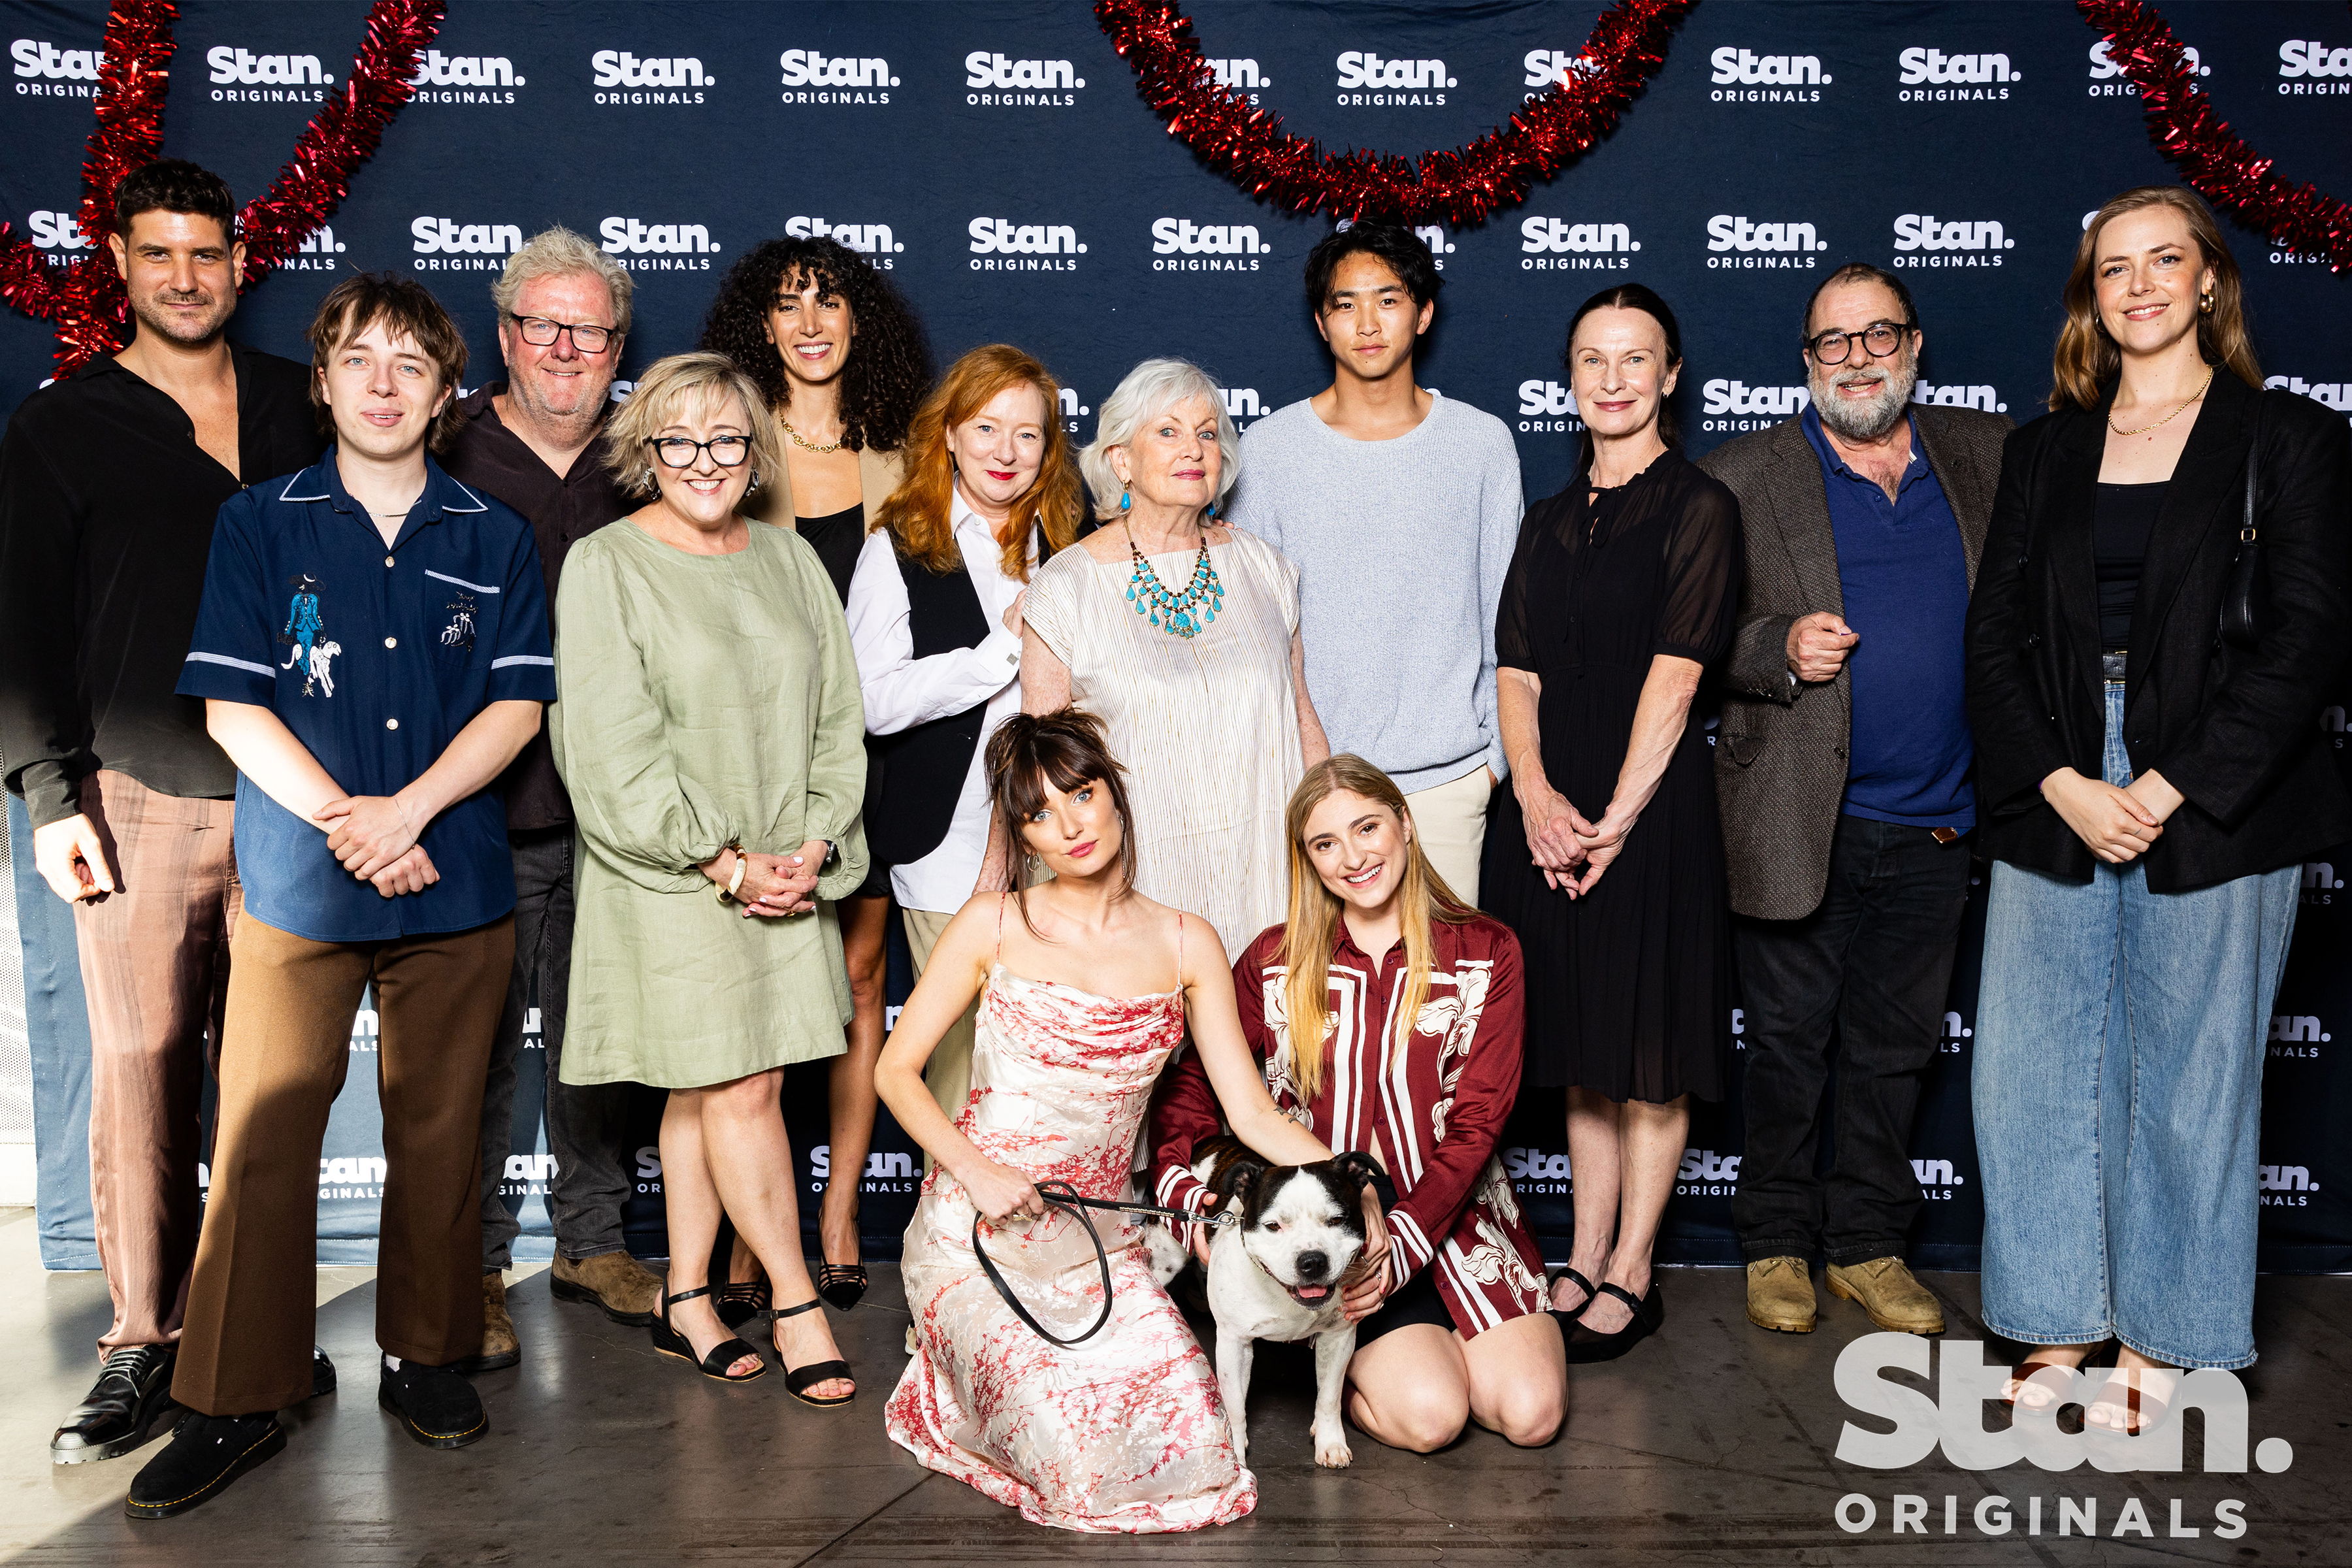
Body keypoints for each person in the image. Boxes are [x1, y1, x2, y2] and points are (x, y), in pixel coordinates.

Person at [130, 274, 554, 1518]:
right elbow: (231, 703)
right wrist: (348, 823)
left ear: (443, 394)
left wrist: (409, 812)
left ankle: (427, 1360)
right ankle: (234, 1394)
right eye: (358, 361)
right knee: (262, 1134)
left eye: (409, 365)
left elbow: (518, 704)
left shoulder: (492, 533)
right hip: (303, 883)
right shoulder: (261, 523)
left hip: (452, 877)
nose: (381, 383)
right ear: (321, 384)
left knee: (437, 1132)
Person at [1966, 186, 2351, 1433]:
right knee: (2033, 1062)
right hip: (2063, 773)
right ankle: (2057, 1318)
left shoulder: (2281, 436)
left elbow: (2309, 639)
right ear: (2093, 297)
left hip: (2223, 775)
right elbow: (1995, 641)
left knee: (2192, 1070)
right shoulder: (2047, 448)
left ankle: (2173, 1332)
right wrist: (2067, 781)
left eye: (2162, 260)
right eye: (2113, 267)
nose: (2138, 283)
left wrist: (2174, 782)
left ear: (2205, 283)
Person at [0, 159, 329, 1466]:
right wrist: (46, 796)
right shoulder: (63, 422)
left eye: (208, 254)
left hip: (296, 797)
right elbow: (18, 628)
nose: (186, 277)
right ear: (121, 265)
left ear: (240, 262)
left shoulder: (299, 409)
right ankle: (144, 1340)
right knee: (139, 1079)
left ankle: (253, 1331)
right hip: (134, 791)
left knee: (271, 1080)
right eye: (160, 255)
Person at [876, 710, 1386, 1533]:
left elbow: (1251, 1110)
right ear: (1024, 835)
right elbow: (893, 1073)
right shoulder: (993, 923)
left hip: (1101, 1250)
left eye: (1081, 794)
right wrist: (976, 1172)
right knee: (1078, 1459)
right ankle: (945, 1348)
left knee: (1195, 1445)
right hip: (976, 1241)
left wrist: (1352, 1196)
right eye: (1040, 813)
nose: (1070, 825)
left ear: (1114, 792)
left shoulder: (1187, 942)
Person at [1698, 265, 2011, 1339]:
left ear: (1915, 347)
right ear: (1806, 363)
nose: (1857, 357)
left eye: (1878, 336)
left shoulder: (1988, 453)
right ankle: (1776, 1240)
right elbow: (1690, 644)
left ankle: (1869, 1245)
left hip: (1939, 820)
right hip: (1798, 821)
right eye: (1832, 342)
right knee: (1788, 1046)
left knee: (1894, 1050)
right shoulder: (1744, 477)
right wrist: (1775, 647)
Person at [547, 351, 866, 1403]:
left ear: (753, 450)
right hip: (676, 875)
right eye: (677, 441)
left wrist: (815, 847)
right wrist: (724, 861)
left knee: (707, 1081)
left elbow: (835, 718)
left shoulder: (789, 560)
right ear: (646, 452)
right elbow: (608, 746)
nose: (705, 461)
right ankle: (792, 1299)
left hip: (788, 865)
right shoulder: (605, 563)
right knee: (742, 1083)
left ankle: (686, 1297)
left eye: (727, 439)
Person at [1151, 755, 1563, 1454]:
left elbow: (1477, 1125)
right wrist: (1180, 1182)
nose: (1353, 857)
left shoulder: (1486, 951)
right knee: (1432, 1420)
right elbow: (1194, 1083)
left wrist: (1401, 1243)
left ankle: (1397, 1349)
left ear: (1404, 823)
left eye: (1367, 827)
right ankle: (1319, 1349)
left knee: (1531, 1417)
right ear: (1308, 860)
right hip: (1332, 1240)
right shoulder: (1274, 960)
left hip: (1457, 1224)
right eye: (1325, 844)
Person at [1480, 285, 1740, 1363]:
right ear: (1571, 380)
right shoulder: (1546, 522)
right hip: (1549, 811)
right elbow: (1517, 673)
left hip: (1651, 811)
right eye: (1594, 359)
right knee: (1587, 1046)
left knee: (1650, 1046)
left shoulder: (1698, 508)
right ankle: (1582, 1253)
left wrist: (1611, 823)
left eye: (1637, 359)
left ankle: (1636, 1265)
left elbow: (1678, 679)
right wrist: (1537, 799)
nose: (1615, 378)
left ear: (1671, 376)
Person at [441, 226, 662, 1360]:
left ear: (619, 343)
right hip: (478, 809)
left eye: (592, 329)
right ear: (507, 335)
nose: (568, 348)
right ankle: (474, 1266)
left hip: (614, 817)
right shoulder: (445, 445)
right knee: (476, 1050)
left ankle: (591, 1238)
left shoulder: (648, 457)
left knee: (600, 1044)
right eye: (546, 325)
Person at [700, 235, 929, 1306]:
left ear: (858, 323)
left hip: (878, 754)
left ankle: (836, 1211)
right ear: (760, 325)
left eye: (830, 302)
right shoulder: (727, 444)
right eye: (788, 304)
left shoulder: (903, 450)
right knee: (767, 987)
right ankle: (759, 1224)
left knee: (857, 983)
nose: (809, 322)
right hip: (759, 753)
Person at [1225, 222, 1521, 901]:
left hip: (1446, 782)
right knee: (1315, 1002)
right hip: (1314, 789)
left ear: (1423, 314)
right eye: (1345, 303)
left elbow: (1508, 614)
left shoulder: (1481, 445)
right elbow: (1255, 635)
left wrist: (1489, 768)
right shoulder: (1268, 452)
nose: (1367, 322)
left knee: (1444, 1001)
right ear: (1322, 323)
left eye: (1388, 300)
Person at [846, 345, 1083, 1150]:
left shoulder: (1079, 545)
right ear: (947, 434)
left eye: (1028, 434)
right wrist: (998, 655)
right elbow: (872, 702)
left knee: (1059, 1061)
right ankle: (955, 1254)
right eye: (986, 428)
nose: (1006, 452)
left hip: (1072, 836)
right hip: (949, 845)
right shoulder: (899, 544)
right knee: (961, 1067)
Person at [1020, 358, 1330, 959]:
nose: (1194, 448)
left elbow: (1302, 718)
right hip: (1134, 890)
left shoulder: (1266, 569)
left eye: (1208, 433)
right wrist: (1007, 886)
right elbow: (1041, 766)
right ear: (1121, 460)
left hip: (1268, 880)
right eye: (1168, 431)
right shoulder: (1068, 585)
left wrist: (1330, 836)